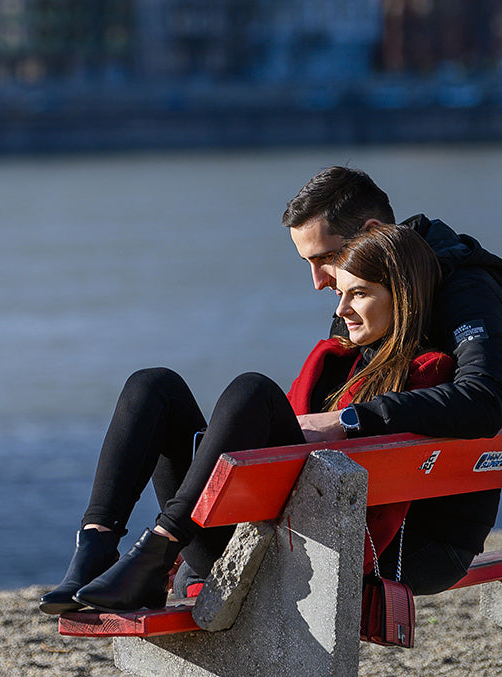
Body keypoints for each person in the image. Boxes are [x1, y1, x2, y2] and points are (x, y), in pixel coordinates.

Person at [40, 224, 455, 615]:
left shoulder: (424, 375)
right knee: (153, 386)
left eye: (359, 294)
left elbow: (383, 504)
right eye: (341, 294)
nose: (342, 308)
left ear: (401, 297)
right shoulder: (333, 358)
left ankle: (157, 549)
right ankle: (95, 549)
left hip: (305, 555)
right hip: (236, 531)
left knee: (253, 390)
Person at [283, 165, 502, 592]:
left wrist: (352, 419)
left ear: (371, 230)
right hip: (364, 509)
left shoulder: (465, 288)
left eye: (325, 259)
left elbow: (485, 398)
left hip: (424, 534)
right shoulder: (362, 300)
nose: (320, 282)